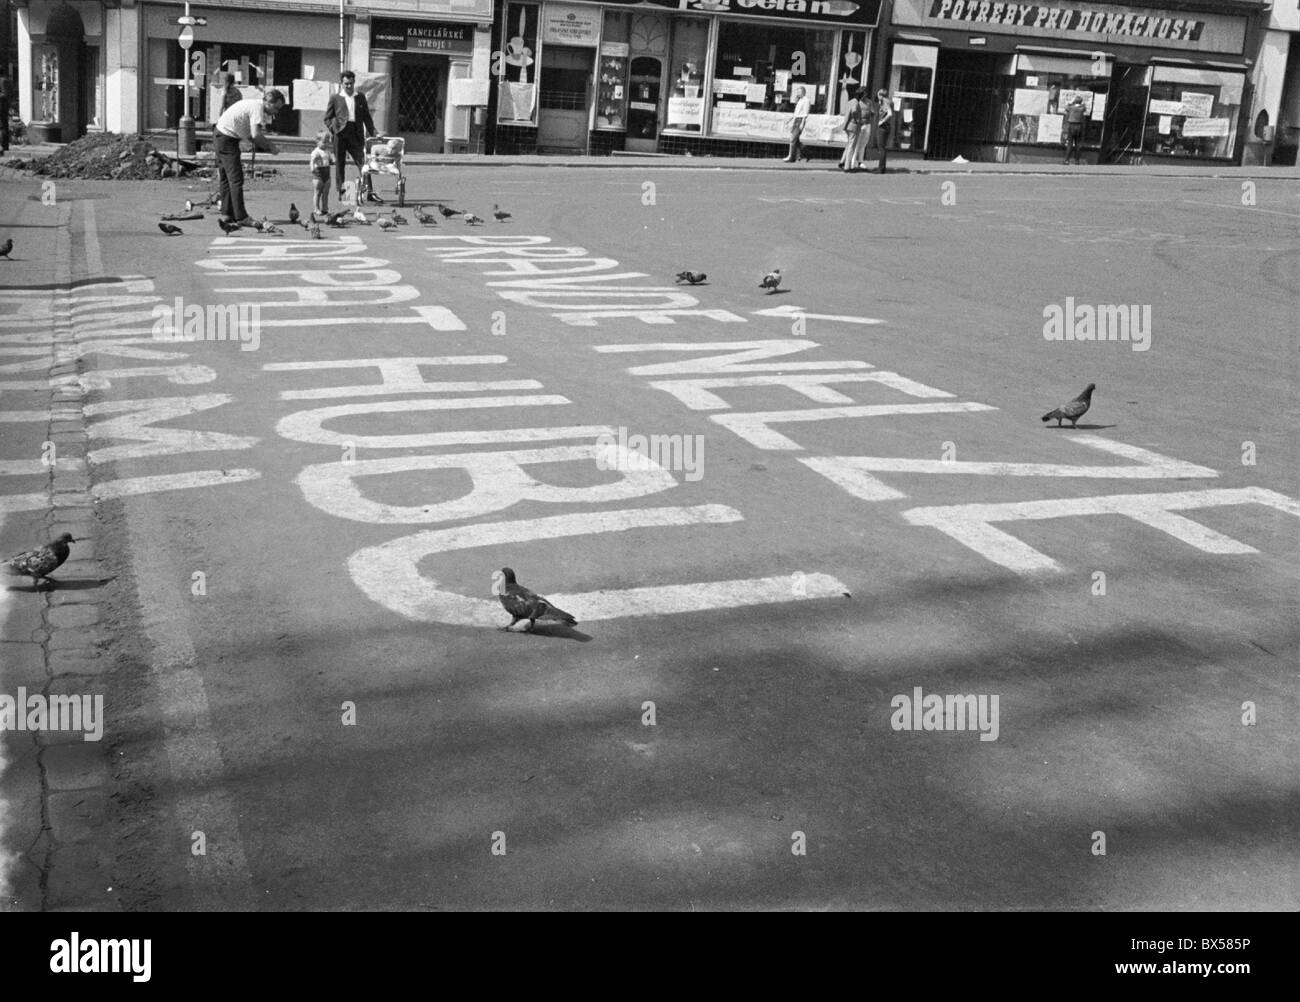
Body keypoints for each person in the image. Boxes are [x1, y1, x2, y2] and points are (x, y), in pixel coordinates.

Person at [214, 89, 285, 227]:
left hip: (221, 135)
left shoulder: (254, 105)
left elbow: (251, 136)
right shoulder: (258, 108)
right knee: (235, 178)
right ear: (268, 102)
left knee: (226, 178)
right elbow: (256, 135)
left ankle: (227, 214)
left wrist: (264, 145)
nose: (276, 112)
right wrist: (271, 147)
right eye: (276, 108)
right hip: (227, 138)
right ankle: (241, 217)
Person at [324, 70, 378, 203]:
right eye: (346, 84)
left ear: (354, 83)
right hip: (341, 134)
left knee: (363, 163)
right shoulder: (335, 98)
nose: (349, 86)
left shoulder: (360, 97)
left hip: (356, 132)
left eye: (351, 83)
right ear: (341, 83)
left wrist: (374, 132)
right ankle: (341, 191)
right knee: (340, 163)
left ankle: (370, 192)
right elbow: (327, 118)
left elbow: (366, 116)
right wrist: (334, 129)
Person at [839, 86, 870, 172]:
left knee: (849, 145)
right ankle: (847, 167)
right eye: (864, 95)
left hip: (848, 126)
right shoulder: (856, 103)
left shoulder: (851, 101)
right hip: (854, 126)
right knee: (851, 147)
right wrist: (858, 120)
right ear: (861, 95)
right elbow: (854, 111)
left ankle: (842, 162)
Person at [783, 86, 811, 163]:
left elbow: (805, 112)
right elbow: (796, 113)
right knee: (796, 140)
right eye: (797, 92)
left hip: (800, 120)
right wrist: (789, 120)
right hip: (796, 120)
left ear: (803, 92)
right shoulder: (799, 100)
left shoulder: (806, 100)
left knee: (792, 139)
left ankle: (791, 157)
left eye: (799, 92)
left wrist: (802, 123)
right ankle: (807, 153)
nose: (798, 93)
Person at [310, 130, 333, 219]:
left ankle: (325, 208)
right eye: (324, 142)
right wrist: (312, 168)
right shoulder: (316, 152)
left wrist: (333, 161)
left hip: (327, 173)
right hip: (318, 174)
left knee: (326, 193)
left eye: (327, 142)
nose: (326, 144)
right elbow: (312, 161)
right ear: (317, 141)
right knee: (317, 192)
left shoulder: (328, 151)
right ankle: (316, 208)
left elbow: (330, 160)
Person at [871, 89, 893, 173]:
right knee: (882, 147)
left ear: (880, 95)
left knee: (881, 148)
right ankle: (882, 167)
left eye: (878, 94)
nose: (877, 96)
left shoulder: (885, 102)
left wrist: (881, 121)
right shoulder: (886, 101)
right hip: (886, 127)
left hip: (883, 127)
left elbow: (890, 113)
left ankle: (881, 169)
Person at [1063, 95, 1086, 164]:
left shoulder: (1071, 108)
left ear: (1075, 101)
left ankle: (1067, 160)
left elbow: (1066, 108)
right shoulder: (1082, 108)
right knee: (1077, 144)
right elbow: (1084, 108)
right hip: (1079, 126)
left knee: (1070, 144)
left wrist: (1070, 102)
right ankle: (1077, 160)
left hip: (1071, 125)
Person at [0, 74, 11, 155]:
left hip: (2, 106)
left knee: (3, 126)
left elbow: (5, 94)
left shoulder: (3, 80)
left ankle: (4, 146)